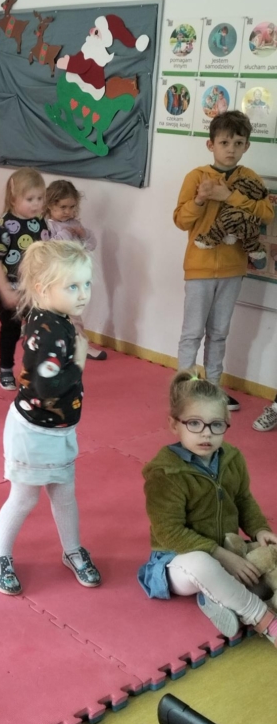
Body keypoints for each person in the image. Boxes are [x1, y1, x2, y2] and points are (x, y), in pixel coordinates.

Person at [0, 240, 101, 595]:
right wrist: (79, 361)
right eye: (73, 286)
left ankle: (72, 550)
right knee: (24, 498)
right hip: (34, 432)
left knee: (64, 495)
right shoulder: (49, 331)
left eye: (86, 284)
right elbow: (47, 387)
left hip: (58, 428)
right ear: (42, 288)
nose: (84, 294)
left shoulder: (57, 319)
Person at [138, 372, 277, 647]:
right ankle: (264, 619)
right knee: (202, 564)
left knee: (267, 561)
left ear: (227, 424)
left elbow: (243, 499)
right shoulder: (165, 473)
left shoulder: (232, 458)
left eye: (216, 425)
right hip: (178, 562)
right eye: (194, 423)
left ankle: (215, 598)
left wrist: (260, 530)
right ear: (174, 424)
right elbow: (169, 531)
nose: (206, 433)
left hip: (230, 549)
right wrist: (221, 556)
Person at [174, 112, 274, 410]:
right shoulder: (196, 176)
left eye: (238, 143)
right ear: (211, 145)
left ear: (246, 146)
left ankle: (213, 389)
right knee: (192, 333)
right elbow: (180, 220)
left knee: (219, 333)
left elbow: (267, 214)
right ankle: (185, 391)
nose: (231, 149)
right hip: (199, 268)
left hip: (233, 269)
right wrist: (200, 199)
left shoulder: (250, 178)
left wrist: (229, 195)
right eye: (224, 142)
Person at [0, 167, 49, 391]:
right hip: (8, 286)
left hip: (33, 288)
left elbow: (44, 254)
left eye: (40, 198)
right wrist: (5, 291)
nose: (36, 204)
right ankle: (5, 367)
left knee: (38, 330)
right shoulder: (2, 227)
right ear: (13, 198)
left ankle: (32, 370)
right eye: (30, 199)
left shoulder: (40, 222)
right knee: (11, 330)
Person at [44, 180, 106, 361]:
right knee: (52, 314)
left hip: (74, 277)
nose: (67, 212)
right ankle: (52, 345)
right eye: (63, 207)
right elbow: (51, 248)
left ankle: (81, 345)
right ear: (50, 205)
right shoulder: (47, 225)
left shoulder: (75, 224)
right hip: (56, 278)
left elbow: (91, 244)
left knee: (75, 314)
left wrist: (83, 234)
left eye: (71, 207)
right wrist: (67, 233)